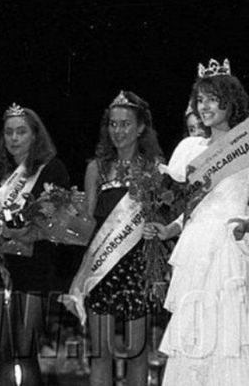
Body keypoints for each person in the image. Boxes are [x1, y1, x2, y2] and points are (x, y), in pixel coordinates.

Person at [143, 58, 249, 386]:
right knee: (192, 330)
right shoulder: (191, 147)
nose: (204, 106)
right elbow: (194, 206)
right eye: (200, 99)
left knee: (227, 334)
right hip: (194, 245)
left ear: (231, 101)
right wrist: (171, 229)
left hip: (228, 246)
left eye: (212, 98)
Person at [0, 103, 70, 386]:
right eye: (9, 133)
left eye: (21, 132)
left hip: (33, 267)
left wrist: (27, 232)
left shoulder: (51, 169)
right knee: (3, 352)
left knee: (26, 352)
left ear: (35, 135)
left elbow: (58, 222)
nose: (14, 138)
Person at [82, 90, 164, 386]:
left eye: (126, 124)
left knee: (136, 353)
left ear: (141, 127)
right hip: (102, 264)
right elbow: (87, 219)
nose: (118, 131)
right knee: (101, 352)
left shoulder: (154, 168)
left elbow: (160, 217)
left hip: (138, 266)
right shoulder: (97, 168)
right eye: (113, 124)